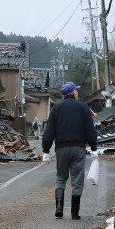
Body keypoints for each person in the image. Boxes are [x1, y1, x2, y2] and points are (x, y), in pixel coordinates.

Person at [41, 82, 97, 220]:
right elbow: (90, 129)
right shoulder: (83, 108)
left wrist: (46, 150)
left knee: (61, 177)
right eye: (76, 91)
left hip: (61, 149)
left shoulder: (56, 109)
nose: (77, 93)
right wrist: (94, 147)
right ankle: (74, 212)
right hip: (78, 148)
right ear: (74, 92)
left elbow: (49, 131)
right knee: (77, 180)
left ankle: (59, 207)